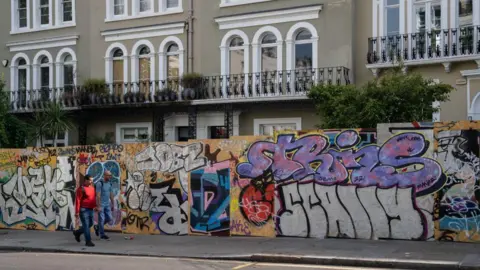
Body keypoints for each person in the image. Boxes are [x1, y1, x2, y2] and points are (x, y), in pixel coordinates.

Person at [73, 175, 97, 247]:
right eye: (90, 180)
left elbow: (93, 198)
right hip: (83, 210)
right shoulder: (81, 189)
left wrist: (95, 206)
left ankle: (77, 232)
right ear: (85, 180)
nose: (91, 182)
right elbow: (78, 200)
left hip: (91, 209)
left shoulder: (92, 188)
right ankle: (88, 241)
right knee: (86, 225)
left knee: (90, 224)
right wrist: (77, 212)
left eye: (92, 180)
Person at [94, 170, 115, 240]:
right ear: (105, 175)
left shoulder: (110, 183)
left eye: (110, 175)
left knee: (109, 218)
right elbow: (98, 196)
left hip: (107, 205)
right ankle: (102, 235)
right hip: (101, 205)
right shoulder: (100, 183)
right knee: (102, 219)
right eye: (108, 175)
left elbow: (111, 194)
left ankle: (97, 227)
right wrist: (98, 206)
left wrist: (113, 204)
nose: (110, 177)